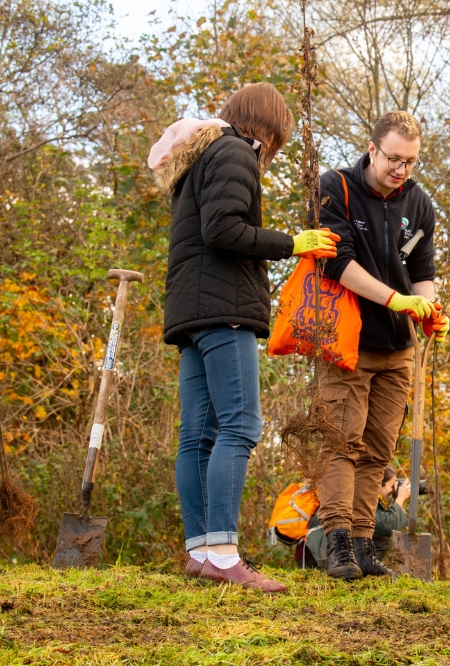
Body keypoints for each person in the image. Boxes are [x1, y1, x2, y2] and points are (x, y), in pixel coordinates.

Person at [149, 82, 339, 593]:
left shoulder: (202, 156)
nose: (275, 152)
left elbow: (207, 230)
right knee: (240, 425)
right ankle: (225, 554)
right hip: (222, 310)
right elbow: (224, 231)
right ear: (267, 128)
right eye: (278, 139)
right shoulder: (235, 150)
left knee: (198, 435)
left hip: (191, 312)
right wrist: (293, 242)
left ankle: (199, 552)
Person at [313, 110, 449, 580]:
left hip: (399, 348)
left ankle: (365, 544)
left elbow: (424, 271)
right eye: (394, 159)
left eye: (411, 162)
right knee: (341, 444)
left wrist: (428, 311)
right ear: (373, 150)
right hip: (348, 340)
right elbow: (336, 263)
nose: (402, 170)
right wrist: (397, 300)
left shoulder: (420, 202)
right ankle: (338, 545)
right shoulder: (337, 188)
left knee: (375, 450)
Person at [303, 465, 411, 567]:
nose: (393, 490)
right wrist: (400, 499)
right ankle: (363, 570)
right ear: (377, 484)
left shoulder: (358, 493)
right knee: (380, 539)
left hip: (316, 549)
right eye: (392, 486)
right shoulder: (361, 498)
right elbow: (387, 526)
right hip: (316, 551)